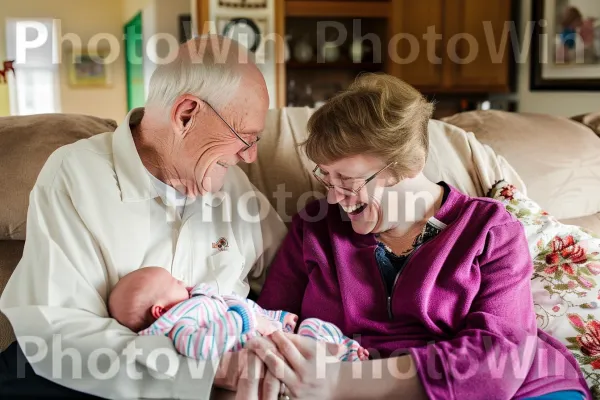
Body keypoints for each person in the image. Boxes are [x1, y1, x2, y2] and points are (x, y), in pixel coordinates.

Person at [247, 74, 591, 400]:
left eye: (348, 180)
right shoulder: (315, 228)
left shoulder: (489, 229)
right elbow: (267, 326)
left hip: (522, 389)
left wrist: (340, 382)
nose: (335, 198)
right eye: (326, 177)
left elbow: (500, 359)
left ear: (408, 166)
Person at [0, 35, 288, 399]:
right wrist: (203, 371)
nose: (250, 156)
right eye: (244, 138)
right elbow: (59, 334)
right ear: (186, 115)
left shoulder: (232, 185)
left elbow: (290, 269)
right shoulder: (76, 174)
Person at [108, 267, 368, 362]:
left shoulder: (204, 301)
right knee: (309, 346)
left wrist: (277, 317)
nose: (182, 281)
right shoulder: (181, 324)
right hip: (266, 351)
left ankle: (348, 349)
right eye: (174, 282)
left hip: (273, 333)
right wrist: (240, 319)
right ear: (160, 310)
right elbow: (199, 346)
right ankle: (342, 359)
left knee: (311, 326)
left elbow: (249, 307)